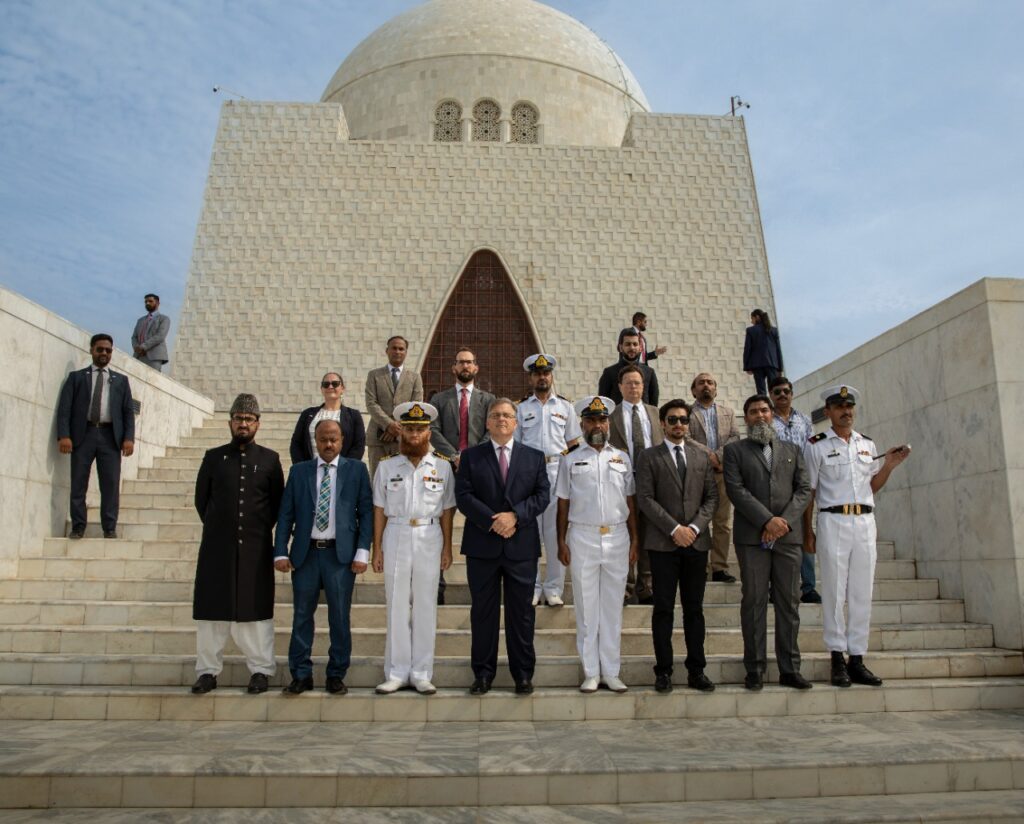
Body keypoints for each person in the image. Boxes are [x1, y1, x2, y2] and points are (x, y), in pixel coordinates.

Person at [803, 384, 910, 688]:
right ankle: (837, 658)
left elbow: (872, 487)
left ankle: (858, 658)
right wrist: (807, 532)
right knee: (835, 591)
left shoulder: (867, 445)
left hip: (864, 521)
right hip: (833, 521)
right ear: (828, 412)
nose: (846, 412)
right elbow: (809, 492)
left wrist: (888, 465)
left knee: (862, 591)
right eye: (839, 407)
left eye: (849, 408)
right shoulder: (816, 445)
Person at [455, 398, 550, 695]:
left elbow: (542, 495)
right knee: (483, 613)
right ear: (486, 422)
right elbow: (463, 496)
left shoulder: (534, 457)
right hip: (482, 545)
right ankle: (483, 674)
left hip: (520, 546)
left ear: (516, 421)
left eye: (507, 415)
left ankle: (522, 674)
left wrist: (515, 517)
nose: (502, 420)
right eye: (496, 415)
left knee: (521, 613)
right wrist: (492, 520)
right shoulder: (471, 457)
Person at [191, 395, 284, 695]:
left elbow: (276, 504)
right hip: (217, 547)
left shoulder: (270, 460)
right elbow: (201, 501)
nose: (243, 424)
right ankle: (207, 671)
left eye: (249, 419)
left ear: (258, 424)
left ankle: (260, 670)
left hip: (256, 549)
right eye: (238, 418)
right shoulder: (214, 457)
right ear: (230, 421)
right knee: (211, 612)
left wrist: (254, 530)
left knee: (255, 613)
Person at [274, 419, 373, 695]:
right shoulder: (299, 472)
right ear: (315, 441)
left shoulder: (356, 470)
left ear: (342, 440)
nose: (328, 445)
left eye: (334, 439)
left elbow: (365, 512)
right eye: (323, 440)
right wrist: (280, 550)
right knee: (302, 615)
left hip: (339, 557)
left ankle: (336, 674)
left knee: (340, 617)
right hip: (305, 556)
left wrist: (363, 551)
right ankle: (301, 674)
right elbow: (286, 514)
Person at [723, 394, 813, 692]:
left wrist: (782, 523)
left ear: (772, 415)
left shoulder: (793, 449)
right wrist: (766, 521)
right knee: (754, 602)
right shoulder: (735, 451)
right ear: (745, 419)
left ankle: (790, 668)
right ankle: (756, 669)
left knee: (789, 602)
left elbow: (803, 490)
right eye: (753, 412)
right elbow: (736, 490)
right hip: (752, 538)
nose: (759, 416)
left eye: (764, 410)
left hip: (788, 538)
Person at [555, 396, 639, 693]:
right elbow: (563, 504)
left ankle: (611, 671)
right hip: (582, 536)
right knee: (587, 608)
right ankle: (591, 671)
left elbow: (630, 500)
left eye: (602, 419)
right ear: (582, 424)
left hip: (617, 536)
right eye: (591, 420)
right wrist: (560, 542)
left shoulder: (622, 457)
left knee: (613, 608)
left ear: (608, 423)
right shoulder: (570, 457)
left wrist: (635, 540)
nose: (597, 425)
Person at [371, 402, 455, 696]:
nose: (415, 434)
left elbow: (447, 510)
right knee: (396, 604)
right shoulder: (387, 465)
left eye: (420, 429)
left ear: (428, 431)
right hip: (396, 532)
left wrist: (447, 548)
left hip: (429, 534)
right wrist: (377, 548)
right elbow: (379, 509)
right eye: (409, 428)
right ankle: (395, 672)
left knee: (425, 605)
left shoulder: (443, 466)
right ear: (401, 431)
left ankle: (421, 672)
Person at [635, 400, 718, 693]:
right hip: (663, 544)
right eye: (672, 419)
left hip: (695, 544)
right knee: (663, 610)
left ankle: (697, 670)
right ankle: (664, 671)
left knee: (694, 610)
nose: (678, 425)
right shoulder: (649, 457)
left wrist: (693, 528)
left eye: (683, 420)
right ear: (663, 423)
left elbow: (711, 498)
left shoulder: (700, 456)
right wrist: (674, 529)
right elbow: (644, 499)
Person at [430, 348, 496, 605]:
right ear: (454, 368)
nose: (465, 366)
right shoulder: (440, 399)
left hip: (478, 472)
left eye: (469, 362)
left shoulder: (488, 399)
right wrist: (455, 455)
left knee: (483, 524)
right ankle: (437, 586)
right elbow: (433, 430)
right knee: (438, 524)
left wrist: (472, 458)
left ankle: (484, 585)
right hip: (447, 469)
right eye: (461, 362)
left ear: (476, 367)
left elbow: (492, 430)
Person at [514, 354, 581, 607]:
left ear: (551, 376)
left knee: (556, 532)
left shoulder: (565, 408)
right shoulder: (521, 409)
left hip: (557, 471)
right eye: (537, 373)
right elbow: (515, 446)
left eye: (546, 373)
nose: (542, 377)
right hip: (529, 475)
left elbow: (573, 444)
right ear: (530, 377)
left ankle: (553, 588)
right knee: (529, 533)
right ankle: (532, 586)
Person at [56, 333, 135, 539]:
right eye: (100, 349)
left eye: (108, 350)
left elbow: (127, 412)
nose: (104, 353)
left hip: (110, 437)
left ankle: (109, 527)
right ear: (91, 350)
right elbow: (65, 409)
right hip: (84, 434)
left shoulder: (120, 381)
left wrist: (129, 438)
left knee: (110, 484)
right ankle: (78, 526)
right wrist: (64, 435)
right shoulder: (77, 378)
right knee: (78, 482)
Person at [609, 365, 663, 604]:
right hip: (622, 483)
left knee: (649, 533)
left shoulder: (656, 413)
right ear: (620, 387)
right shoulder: (611, 415)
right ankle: (626, 586)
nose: (633, 387)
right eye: (628, 383)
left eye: (637, 383)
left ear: (644, 386)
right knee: (626, 534)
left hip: (652, 483)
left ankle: (646, 586)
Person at [768, 375, 821, 604]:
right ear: (771, 394)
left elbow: (811, 449)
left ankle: (808, 585)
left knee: (805, 532)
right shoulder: (766, 419)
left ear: (792, 394)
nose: (782, 395)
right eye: (777, 392)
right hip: (776, 482)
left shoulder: (805, 421)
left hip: (802, 482)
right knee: (774, 533)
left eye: (786, 392)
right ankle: (774, 587)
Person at [687, 372, 741, 583]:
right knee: (697, 521)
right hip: (696, 475)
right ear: (694, 390)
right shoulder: (687, 413)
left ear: (716, 389)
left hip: (721, 473)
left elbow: (735, 437)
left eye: (710, 383)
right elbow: (686, 437)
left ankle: (719, 566)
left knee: (722, 523)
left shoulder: (728, 412)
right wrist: (709, 455)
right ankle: (699, 565)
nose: (706, 386)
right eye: (701, 383)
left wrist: (718, 456)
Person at [364, 335, 424, 482]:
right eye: (394, 348)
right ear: (387, 351)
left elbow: (416, 406)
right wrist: (388, 424)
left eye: (401, 349)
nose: (397, 351)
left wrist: (397, 428)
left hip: (403, 439)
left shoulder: (414, 377)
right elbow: (371, 403)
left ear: (406, 352)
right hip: (378, 438)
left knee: (402, 482)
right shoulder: (374, 375)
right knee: (378, 481)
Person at [289, 372, 366, 464]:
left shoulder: (353, 415)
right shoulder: (307, 414)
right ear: (321, 389)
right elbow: (296, 443)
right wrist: (302, 468)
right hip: (310, 471)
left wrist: (346, 469)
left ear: (342, 388)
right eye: (326, 384)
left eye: (335, 384)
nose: (330, 387)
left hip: (343, 472)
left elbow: (358, 445)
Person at [597, 330, 659, 406]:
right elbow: (603, 402)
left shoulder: (649, 372)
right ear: (620, 347)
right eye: (628, 344)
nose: (632, 347)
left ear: (640, 348)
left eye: (635, 344)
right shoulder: (609, 373)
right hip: (617, 417)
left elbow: (653, 403)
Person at [743, 308, 783, 395]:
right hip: (772, 364)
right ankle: (773, 407)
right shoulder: (773, 330)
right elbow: (778, 350)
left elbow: (747, 349)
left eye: (752, 318)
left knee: (761, 391)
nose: (751, 321)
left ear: (756, 317)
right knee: (773, 389)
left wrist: (747, 366)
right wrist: (780, 368)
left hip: (757, 365)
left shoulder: (751, 330)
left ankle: (763, 406)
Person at [131, 293, 171, 371]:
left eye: (150, 301)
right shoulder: (140, 320)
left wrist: (143, 347)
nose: (147, 303)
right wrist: (137, 348)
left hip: (154, 356)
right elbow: (134, 337)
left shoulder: (164, 319)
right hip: (139, 355)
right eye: (145, 302)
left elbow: (160, 336)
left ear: (157, 303)